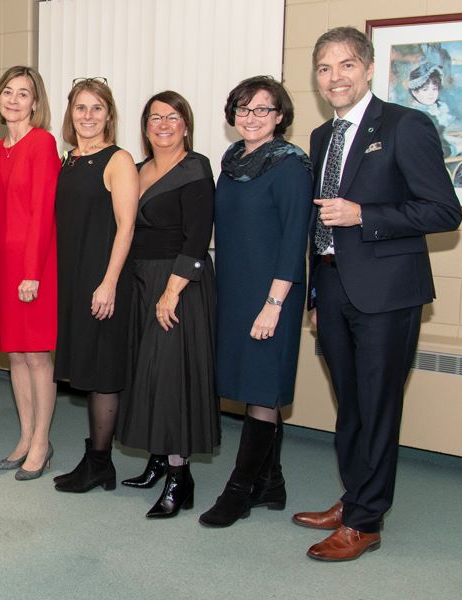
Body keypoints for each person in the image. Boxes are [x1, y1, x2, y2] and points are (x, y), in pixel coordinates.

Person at [293, 26, 460, 562]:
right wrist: (317, 293)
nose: (334, 77)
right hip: (335, 286)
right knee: (350, 407)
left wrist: (366, 215)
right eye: (324, 68)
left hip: (389, 291)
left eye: (345, 65)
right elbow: (318, 227)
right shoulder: (322, 137)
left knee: (379, 406)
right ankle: (354, 497)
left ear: (367, 69)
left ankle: (366, 522)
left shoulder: (406, 125)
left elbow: (443, 211)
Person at [198, 76, 313, 527]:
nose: (251, 118)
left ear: (279, 116)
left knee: (263, 389)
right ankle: (272, 483)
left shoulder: (290, 166)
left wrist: (274, 303)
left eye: (262, 110)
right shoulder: (232, 163)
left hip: (272, 294)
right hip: (235, 289)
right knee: (247, 385)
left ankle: (239, 491)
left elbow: (293, 242)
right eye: (243, 109)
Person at [115, 91, 219, 519]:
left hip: (179, 284)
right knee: (147, 373)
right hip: (141, 280)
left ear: (186, 124)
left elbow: (197, 236)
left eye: (172, 117)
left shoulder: (196, 167)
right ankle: (158, 459)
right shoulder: (136, 170)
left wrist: (171, 291)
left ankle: (181, 477)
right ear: (144, 127)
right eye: (155, 117)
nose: (163, 124)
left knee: (173, 378)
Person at [51, 78, 137, 494]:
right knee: (86, 366)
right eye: (80, 108)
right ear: (70, 113)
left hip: (101, 279)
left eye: (96, 108)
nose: (88, 116)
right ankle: (95, 459)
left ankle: (100, 463)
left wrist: (109, 282)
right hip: (72, 276)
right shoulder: (67, 160)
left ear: (109, 115)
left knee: (103, 371)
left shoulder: (118, 160)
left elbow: (126, 226)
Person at [0, 65, 60, 480]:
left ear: (36, 102)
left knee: (37, 355)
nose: (14, 100)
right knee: (15, 355)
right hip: (5, 266)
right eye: (8, 92)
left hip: (36, 266)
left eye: (24, 94)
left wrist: (31, 272)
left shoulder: (42, 143)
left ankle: (42, 442)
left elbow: (42, 213)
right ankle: (25, 436)